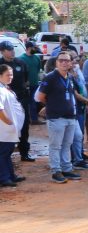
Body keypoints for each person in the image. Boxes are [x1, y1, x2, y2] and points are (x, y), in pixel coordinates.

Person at [35, 52, 81, 183]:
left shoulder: (70, 78)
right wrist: (51, 105)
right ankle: (56, 171)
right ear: (56, 63)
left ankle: (66, 169)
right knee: (56, 146)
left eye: (67, 61)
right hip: (56, 117)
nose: (64, 63)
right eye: (61, 60)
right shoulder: (50, 77)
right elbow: (40, 97)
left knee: (67, 144)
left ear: (71, 63)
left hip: (70, 117)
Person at [0, 42, 32, 162]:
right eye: (9, 50)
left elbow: (26, 80)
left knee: (24, 127)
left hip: (21, 100)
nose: (12, 51)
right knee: (6, 127)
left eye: (12, 49)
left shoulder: (20, 63)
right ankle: (6, 155)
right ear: (2, 51)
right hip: (5, 102)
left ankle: (24, 153)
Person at [0, 63, 26, 187]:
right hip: (4, 130)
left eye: (11, 74)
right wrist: (8, 122)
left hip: (9, 130)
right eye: (7, 75)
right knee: (3, 154)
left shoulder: (4, 87)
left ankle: (10, 176)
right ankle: (4, 179)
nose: (10, 77)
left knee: (6, 153)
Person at [17, 41, 42, 124]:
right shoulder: (21, 59)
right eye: (33, 48)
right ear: (28, 48)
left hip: (35, 84)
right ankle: (26, 120)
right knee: (24, 103)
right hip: (24, 85)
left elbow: (38, 69)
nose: (35, 49)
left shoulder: (37, 58)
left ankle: (34, 119)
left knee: (34, 102)